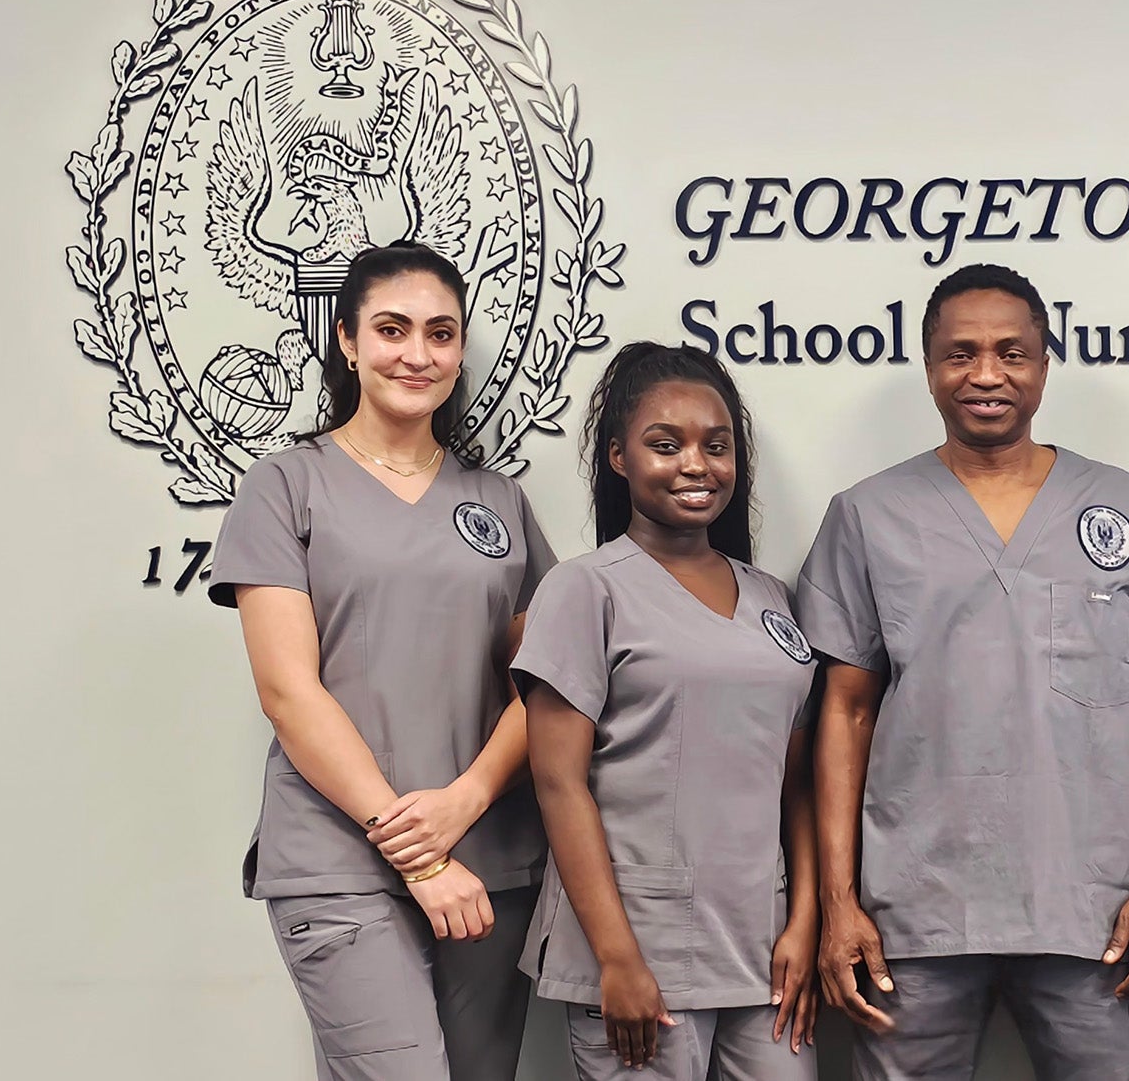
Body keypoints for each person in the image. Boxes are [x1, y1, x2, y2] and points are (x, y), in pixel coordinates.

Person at [796, 264, 1129, 1081]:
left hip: (1093, 914)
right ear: (929, 366)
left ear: (1045, 366)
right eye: (962, 353)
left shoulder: (1121, 504)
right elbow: (843, 712)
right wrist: (839, 903)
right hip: (912, 916)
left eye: (1012, 352)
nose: (987, 374)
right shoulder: (867, 514)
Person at [208, 241, 555, 1081]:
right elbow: (288, 692)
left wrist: (465, 803)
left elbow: (541, 686)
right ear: (347, 340)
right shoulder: (285, 485)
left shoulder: (498, 499)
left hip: (488, 858)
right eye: (392, 329)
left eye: (441, 332)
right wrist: (420, 853)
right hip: (341, 858)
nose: (418, 352)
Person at [513, 343, 820, 1081]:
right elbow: (559, 783)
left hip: (762, 952)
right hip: (638, 951)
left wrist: (805, 918)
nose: (696, 464)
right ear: (619, 457)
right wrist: (616, 959)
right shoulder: (586, 590)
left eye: (716, 446)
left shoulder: (773, 598)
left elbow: (795, 783)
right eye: (665, 443)